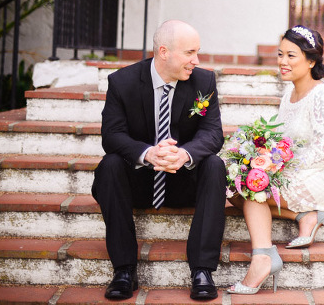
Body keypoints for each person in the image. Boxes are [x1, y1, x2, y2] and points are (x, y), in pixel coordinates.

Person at [91, 20, 226, 300]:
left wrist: (184, 154)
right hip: (139, 183)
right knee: (110, 165)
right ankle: (124, 270)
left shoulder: (204, 82)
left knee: (214, 164)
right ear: (164, 52)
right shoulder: (122, 82)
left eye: (197, 52)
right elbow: (112, 135)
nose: (196, 60)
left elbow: (212, 133)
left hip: (183, 181)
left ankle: (202, 270)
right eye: (189, 53)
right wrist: (148, 153)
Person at [227, 25, 324, 295]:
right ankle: (305, 214)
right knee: (236, 188)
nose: (282, 62)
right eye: (280, 54)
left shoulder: (323, 96)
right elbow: (283, 142)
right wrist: (261, 156)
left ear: (311, 61)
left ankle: (263, 258)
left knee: (256, 188)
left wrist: (275, 169)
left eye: (291, 56)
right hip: (301, 169)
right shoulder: (289, 95)